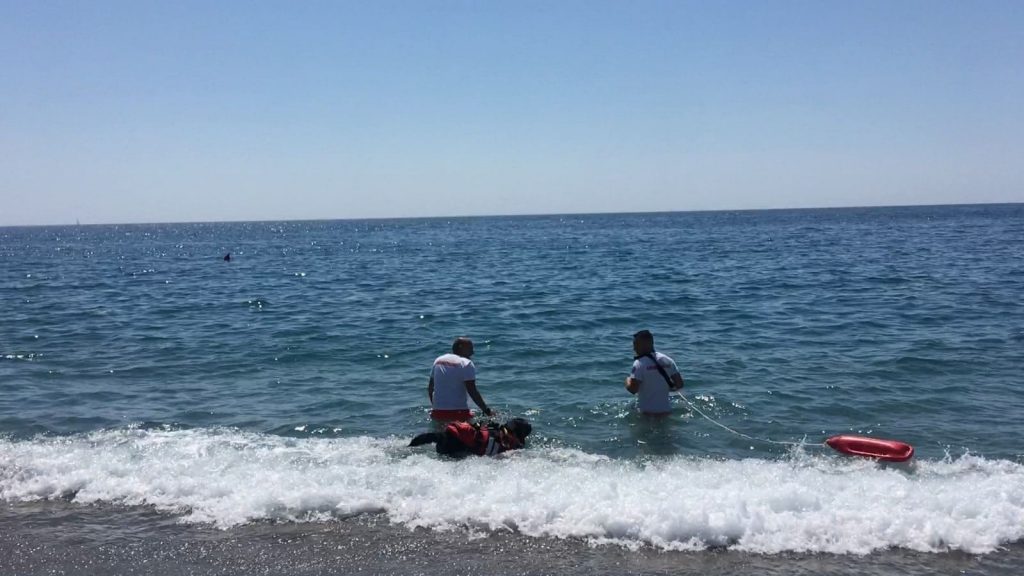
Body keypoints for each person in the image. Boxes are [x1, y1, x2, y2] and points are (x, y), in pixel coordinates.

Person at [428, 337, 493, 421]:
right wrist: (486, 410)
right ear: (461, 348)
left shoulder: (438, 360)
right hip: (459, 413)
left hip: (437, 413)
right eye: (470, 349)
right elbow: (472, 391)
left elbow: (430, 388)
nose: (472, 352)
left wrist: (435, 407)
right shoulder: (466, 363)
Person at [625, 330, 684, 415]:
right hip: (666, 411)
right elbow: (679, 384)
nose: (634, 348)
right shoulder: (668, 360)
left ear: (645, 345)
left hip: (647, 413)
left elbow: (633, 389)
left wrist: (627, 381)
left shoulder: (639, 363)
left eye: (636, 345)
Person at [409, 418, 532, 458]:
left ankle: (410, 447)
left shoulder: (494, 428)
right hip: (453, 446)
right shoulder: (510, 444)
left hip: (446, 440)